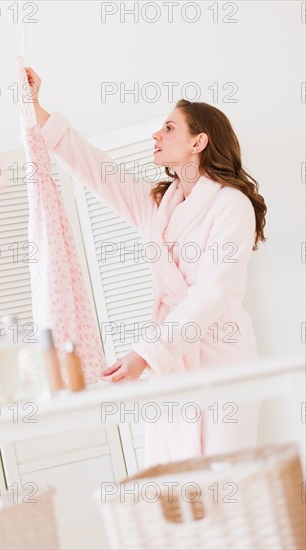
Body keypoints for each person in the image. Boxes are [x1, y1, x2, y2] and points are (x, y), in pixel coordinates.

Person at [24, 66, 267, 466]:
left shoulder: (231, 205)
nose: (156, 135)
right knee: (175, 478)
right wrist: (36, 107)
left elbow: (212, 293)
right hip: (171, 360)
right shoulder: (158, 205)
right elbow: (95, 169)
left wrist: (147, 354)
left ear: (198, 141)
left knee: (228, 480)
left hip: (220, 358)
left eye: (169, 128)